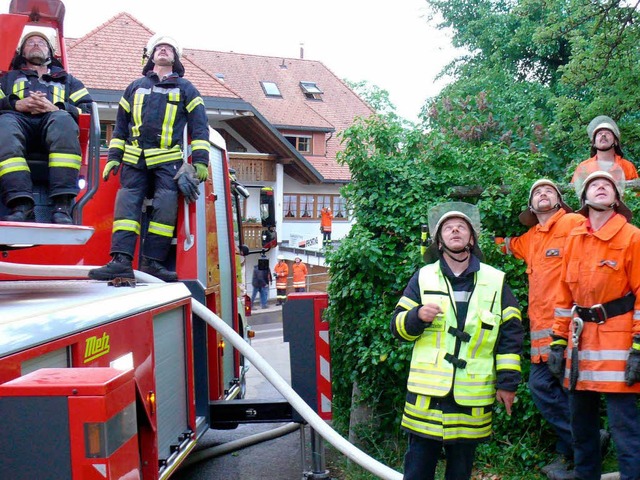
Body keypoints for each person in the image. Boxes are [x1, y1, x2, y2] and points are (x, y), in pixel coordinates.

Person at [391, 202, 524, 480]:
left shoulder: (496, 281)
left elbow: (511, 335)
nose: (455, 230)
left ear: (471, 239)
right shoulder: (423, 277)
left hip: (471, 397)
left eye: (461, 227)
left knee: (460, 472)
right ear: (439, 242)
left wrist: (508, 383)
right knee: (417, 471)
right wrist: (416, 316)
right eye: (448, 228)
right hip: (426, 398)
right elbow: (397, 327)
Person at [88, 34, 210, 282]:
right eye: (159, 48)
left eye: (168, 48)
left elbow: (199, 127)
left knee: (164, 210)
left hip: (168, 161)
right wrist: (114, 156)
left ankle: (152, 263)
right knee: (125, 209)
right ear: (150, 55)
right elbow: (121, 127)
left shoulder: (186, 89)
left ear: (176, 58)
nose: (163, 50)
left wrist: (200, 161)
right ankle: (120, 261)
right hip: (134, 160)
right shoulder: (134, 87)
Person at [549, 167, 640, 480]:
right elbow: (563, 295)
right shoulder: (574, 239)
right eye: (594, 184)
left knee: (625, 428)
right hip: (579, 344)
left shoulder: (632, 237)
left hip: (618, 344)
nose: (601, 187)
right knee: (581, 426)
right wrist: (558, 342)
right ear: (584, 198)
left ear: (617, 198)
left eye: (608, 185)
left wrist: (638, 348)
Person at [497, 179, 585, 479]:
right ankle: (578, 446)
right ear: (531, 207)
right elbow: (504, 246)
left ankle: (576, 451)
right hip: (540, 333)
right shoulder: (531, 237)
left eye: (549, 191)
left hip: (571, 328)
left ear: (559, 201)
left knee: (563, 391)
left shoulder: (574, 223)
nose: (542, 194)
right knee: (545, 389)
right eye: (537, 193)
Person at [0, 30, 93, 223]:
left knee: (63, 120)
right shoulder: (7, 78)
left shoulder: (68, 80)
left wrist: (57, 107)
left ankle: (62, 207)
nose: (35, 44)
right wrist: (16, 104)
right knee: (5, 126)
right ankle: (21, 205)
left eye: (41, 42)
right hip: (17, 124)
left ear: (50, 52)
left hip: (55, 128)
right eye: (30, 42)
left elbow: (87, 108)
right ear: (21, 53)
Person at [571, 115, 638, 183]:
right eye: (599, 134)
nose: (603, 135)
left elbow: (637, 192)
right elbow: (573, 192)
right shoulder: (583, 168)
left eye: (607, 133)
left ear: (615, 141)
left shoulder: (627, 167)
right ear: (594, 142)